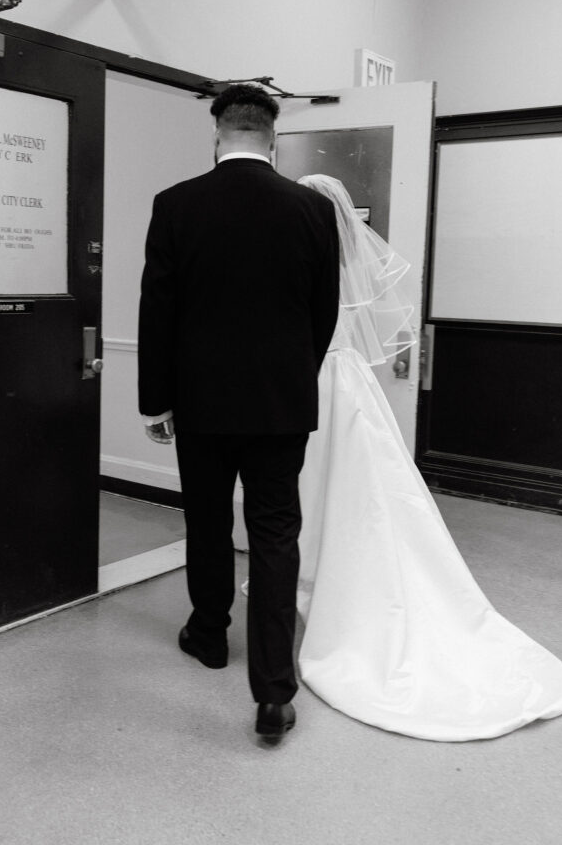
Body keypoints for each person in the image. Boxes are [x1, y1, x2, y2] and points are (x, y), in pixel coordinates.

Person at [294, 174, 562, 741]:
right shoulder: (347, 263)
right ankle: (314, 571)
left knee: (324, 487)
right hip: (349, 387)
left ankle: (325, 577)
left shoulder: (307, 265)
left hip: (317, 385)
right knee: (350, 489)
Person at [137, 85, 340, 742]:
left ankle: (209, 633)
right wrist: (290, 379)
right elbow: (323, 312)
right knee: (276, 534)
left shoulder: (175, 205)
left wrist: (155, 399)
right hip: (280, 405)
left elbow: (157, 310)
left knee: (205, 520)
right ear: (271, 136)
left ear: (218, 134)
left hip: (199, 404)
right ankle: (274, 693)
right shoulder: (311, 209)